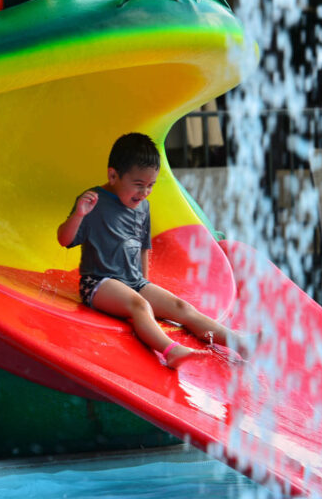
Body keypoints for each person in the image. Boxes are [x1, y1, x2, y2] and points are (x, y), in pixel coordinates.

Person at [57, 132, 253, 368]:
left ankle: (238, 343)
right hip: (99, 283)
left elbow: (142, 248)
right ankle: (171, 351)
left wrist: (145, 285)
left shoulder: (142, 207)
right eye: (138, 185)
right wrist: (79, 215)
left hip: (134, 282)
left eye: (151, 185)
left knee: (182, 308)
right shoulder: (94, 201)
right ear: (113, 175)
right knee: (140, 306)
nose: (144, 192)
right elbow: (64, 239)